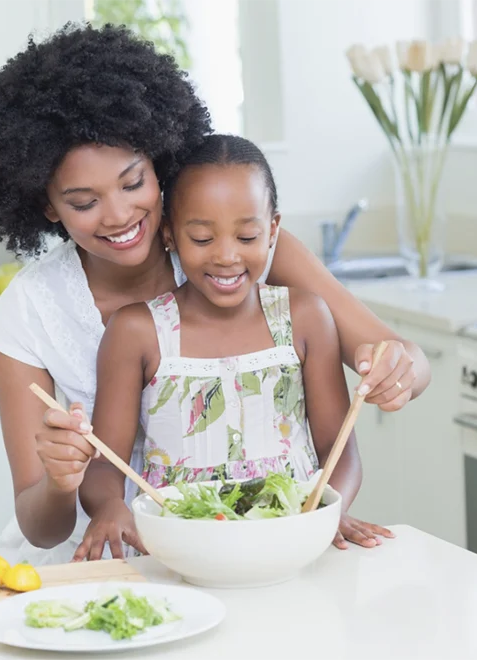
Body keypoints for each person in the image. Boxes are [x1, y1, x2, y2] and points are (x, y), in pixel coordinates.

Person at [0, 23, 430, 566]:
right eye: (84, 202)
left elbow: (404, 362)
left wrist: (399, 370)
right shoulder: (29, 309)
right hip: (101, 562)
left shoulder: (249, 254)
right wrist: (62, 482)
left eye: (133, 183)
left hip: (252, 545)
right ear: (46, 206)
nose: (118, 216)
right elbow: (40, 528)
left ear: (161, 161)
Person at [76, 134, 357, 560]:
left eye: (246, 237)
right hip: (178, 552)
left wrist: (327, 508)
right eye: (203, 239)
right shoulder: (137, 330)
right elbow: (103, 464)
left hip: (289, 544)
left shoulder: (305, 316)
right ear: (169, 235)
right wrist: (109, 506)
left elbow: (340, 447)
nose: (226, 257)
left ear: (273, 230)